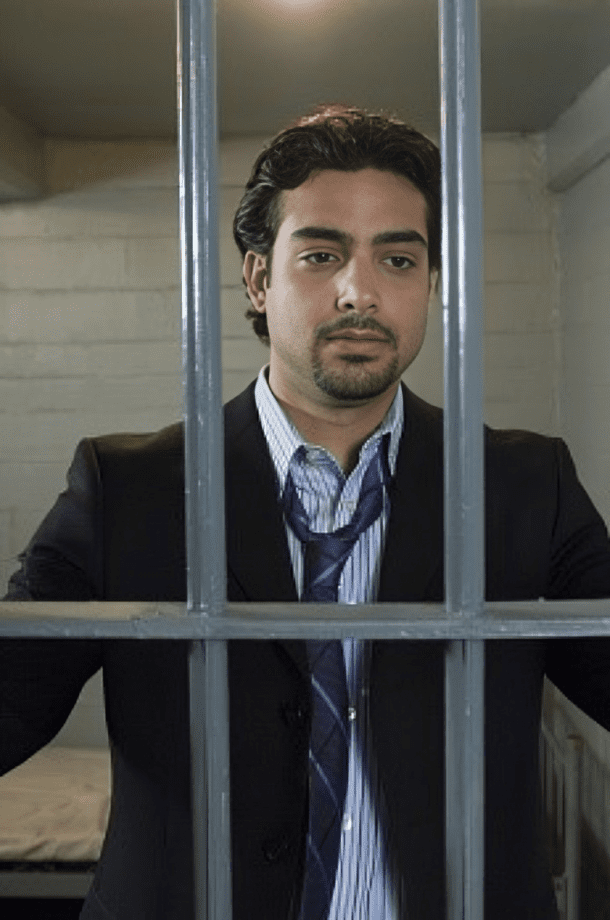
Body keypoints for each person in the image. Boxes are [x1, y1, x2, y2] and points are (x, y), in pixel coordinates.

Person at [3, 104, 610, 920]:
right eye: (322, 254)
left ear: (430, 282)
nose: (361, 291)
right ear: (258, 276)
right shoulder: (130, 489)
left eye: (399, 258)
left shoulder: (525, 484)